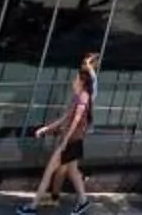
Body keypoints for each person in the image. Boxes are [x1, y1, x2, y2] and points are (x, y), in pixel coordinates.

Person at [34, 51, 97, 211]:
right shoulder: (78, 97)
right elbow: (65, 117)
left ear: (81, 81)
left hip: (71, 141)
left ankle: (32, 206)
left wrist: (64, 142)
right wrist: (46, 129)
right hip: (74, 140)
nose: (73, 81)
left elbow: (75, 120)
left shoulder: (83, 97)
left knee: (51, 172)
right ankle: (82, 201)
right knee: (72, 172)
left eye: (76, 79)